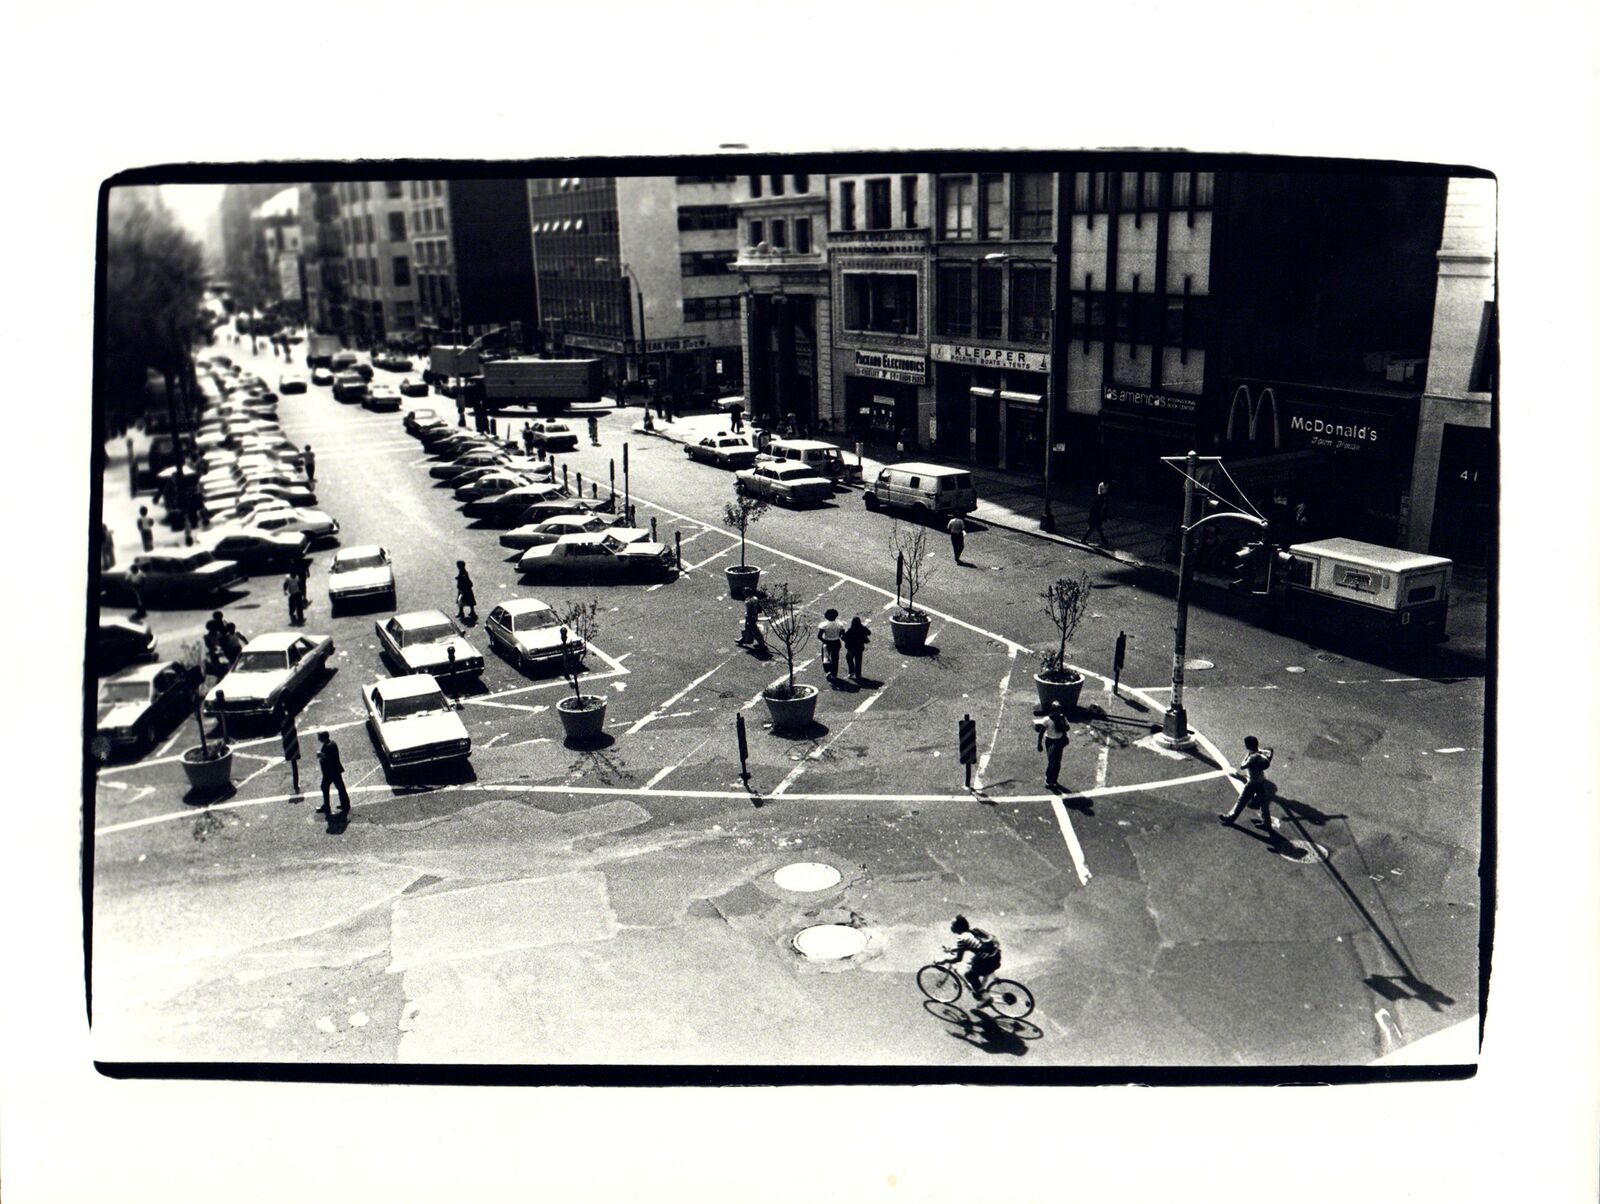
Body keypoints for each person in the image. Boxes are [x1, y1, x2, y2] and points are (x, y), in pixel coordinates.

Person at [943, 915, 1002, 1006]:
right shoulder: (975, 931)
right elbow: (967, 946)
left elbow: (958, 958)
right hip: (996, 957)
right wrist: (952, 949)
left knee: (969, 975)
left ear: (957, 928)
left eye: (953, 925)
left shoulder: (961, 938)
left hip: (987, 962)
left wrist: (945, 960)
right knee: (973, 962)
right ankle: (990, 978)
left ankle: (986, 998)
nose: (951, 927)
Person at [1220, 736, 1276, 828]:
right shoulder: (1261, 754)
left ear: (1247, 746)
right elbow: (1269, 752)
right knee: (1263, 803)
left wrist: (1248, 754)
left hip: (1252, 783)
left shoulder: (1252, 757)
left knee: (1241, 801)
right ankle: (1267, 823)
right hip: (1261, 780)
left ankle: (1230, 818)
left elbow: (1242, 766)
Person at [1037, 699, 1070, 788]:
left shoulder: (1062, 718)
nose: (1058, 711)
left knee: (1057, 762)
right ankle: (1049, 780)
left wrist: (1063, 724)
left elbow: (1067, 728)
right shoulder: (1047, 720)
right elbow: (1041, 732)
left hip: (1059, 741)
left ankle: (1054, 779)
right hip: (1050, 742)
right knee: (1052, 762)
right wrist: (1039, 744)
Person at [316, 731, 350, 816]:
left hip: (330, 772)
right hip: (335, 770)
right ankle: (345, 805)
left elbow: (329, 759)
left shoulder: (327, 746)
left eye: (319, 736)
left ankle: (327, 807)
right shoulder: (332, 743)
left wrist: (321, 756)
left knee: (325, 787)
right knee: (340, 787)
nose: (318, 738)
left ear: (322, 737)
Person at [817, 608, 845, 680]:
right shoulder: (840, 624)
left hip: (827, 642)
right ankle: (834, 674)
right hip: (836, 642)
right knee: (835, 659)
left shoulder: (824, 625)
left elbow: (819, 636)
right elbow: (842, 635)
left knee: (826, 658)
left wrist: (824, 641)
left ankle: (828, 672)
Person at [842, 616, 871, 680]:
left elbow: (844, 638)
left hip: (851, 648)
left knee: (849, 658)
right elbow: (869, 632)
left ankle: (851, 671)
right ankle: (858, 674)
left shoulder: (851, 630)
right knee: (858, 661)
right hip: (860, 647)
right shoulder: (862, 628)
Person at [1112, 630, 1127, 695]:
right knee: (1117, 673)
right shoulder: (1121, 641)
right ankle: (1115, 688)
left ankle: (1115, 687)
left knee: (1117, 673)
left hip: (1118, 660)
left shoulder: (1120, 641)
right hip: (1119, 660)